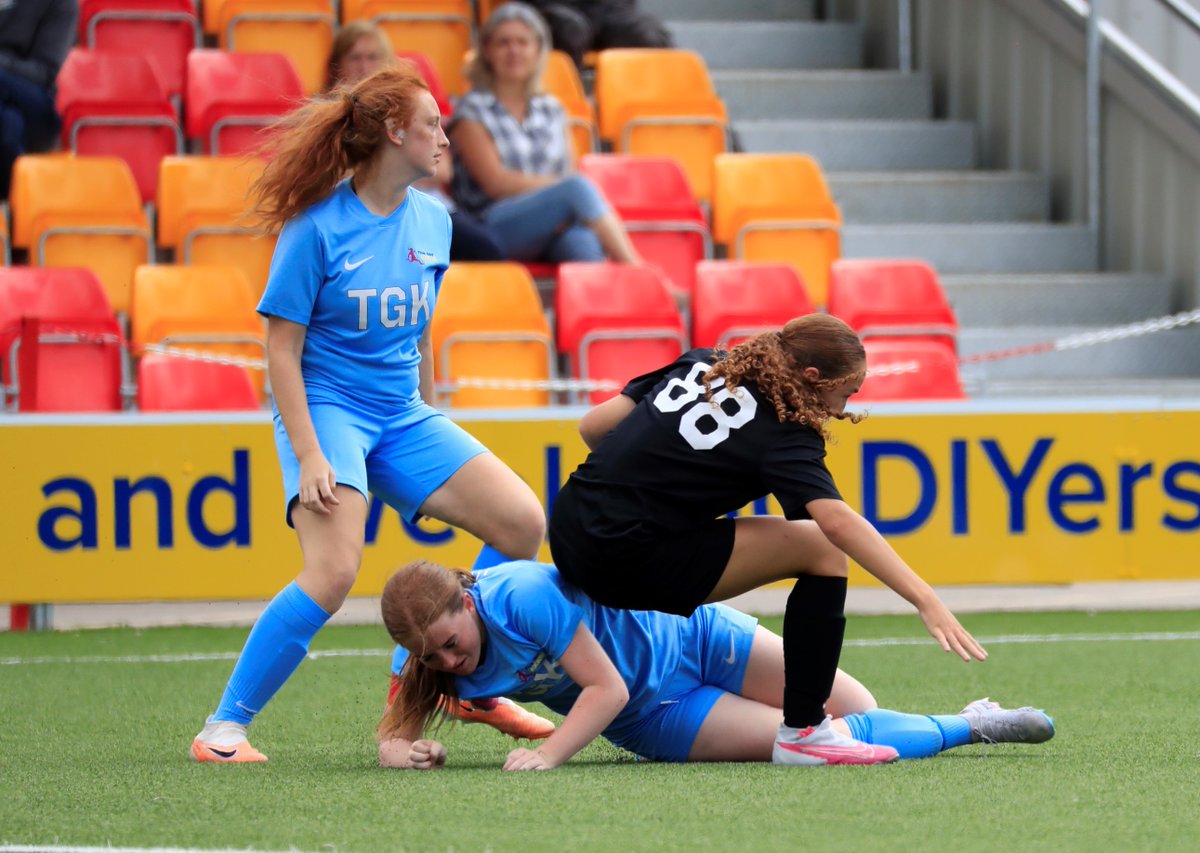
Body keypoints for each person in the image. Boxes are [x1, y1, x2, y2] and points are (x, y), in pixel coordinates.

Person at [190, 65, 552, 764]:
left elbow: (415, 335)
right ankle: (222, 729)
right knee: (332, 573)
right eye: (433, 125)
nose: (444, 137)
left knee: (523, 522)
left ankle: (455, 683)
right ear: (395, 133)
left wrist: (428, 435)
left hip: (403, 414)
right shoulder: (315, 229)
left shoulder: (435, 220)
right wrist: (311, 454)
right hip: (328, 412)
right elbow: (282, 353)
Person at [546, 314, 990, 765]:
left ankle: (805, 732)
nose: (840, 409)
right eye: (845, 393)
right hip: (618, 560)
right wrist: (924, 598)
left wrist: (648, 479)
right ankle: (804, 733)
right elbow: (836, 522)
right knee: (822, 549)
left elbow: (593, 427)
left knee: (806, 540)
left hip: (566, 529)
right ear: (812, 378)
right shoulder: (784, 433)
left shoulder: (705, 364)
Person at [377, 560, 1054, 770]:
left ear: (467, 598)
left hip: (692, 631)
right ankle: (973, 725)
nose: (445, 658)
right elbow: (391, 735)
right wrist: (404, 752)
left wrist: (551, 752)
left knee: (854, 704)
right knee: (819, 741)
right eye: (430, 653)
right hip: (657, 714)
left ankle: (959, 720)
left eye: (449, 639)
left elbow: (599, 684)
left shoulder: (518, 597)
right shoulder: (421, 654)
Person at [449, 2, 642, 266]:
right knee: (577, 189)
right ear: (487, 51)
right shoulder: (471, 109)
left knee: (581, 242)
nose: (514, 50)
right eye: (503, 43)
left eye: (522, 42)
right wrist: (561, 194)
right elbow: (496, 182)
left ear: (539, 50)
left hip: (552, 222)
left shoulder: (552, 109)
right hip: (492, 226)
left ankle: (606, 305)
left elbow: (569, 172)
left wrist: (562, 199)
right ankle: (642, 275)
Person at [326, 21, 506, 263]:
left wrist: (378, 169)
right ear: (337, 66)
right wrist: (407, 166)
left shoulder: (410, 107)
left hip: (429, 208)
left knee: (488, 249)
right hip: (367, 215)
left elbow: (442, 171)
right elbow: (336, 175)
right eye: (355, 57)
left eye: (372, 57)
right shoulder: (330, 118)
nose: (364, 66)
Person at [0, 0, 78, 200]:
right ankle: (12, 212)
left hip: (34, 105)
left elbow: (43, 73)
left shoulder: (59, 3)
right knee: (10, 125)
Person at [525, 0, 672, 70]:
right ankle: (559, 107)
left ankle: (656, 113)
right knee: (571, 31)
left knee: (650, 35)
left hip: (606, 6)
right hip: (557, 5)